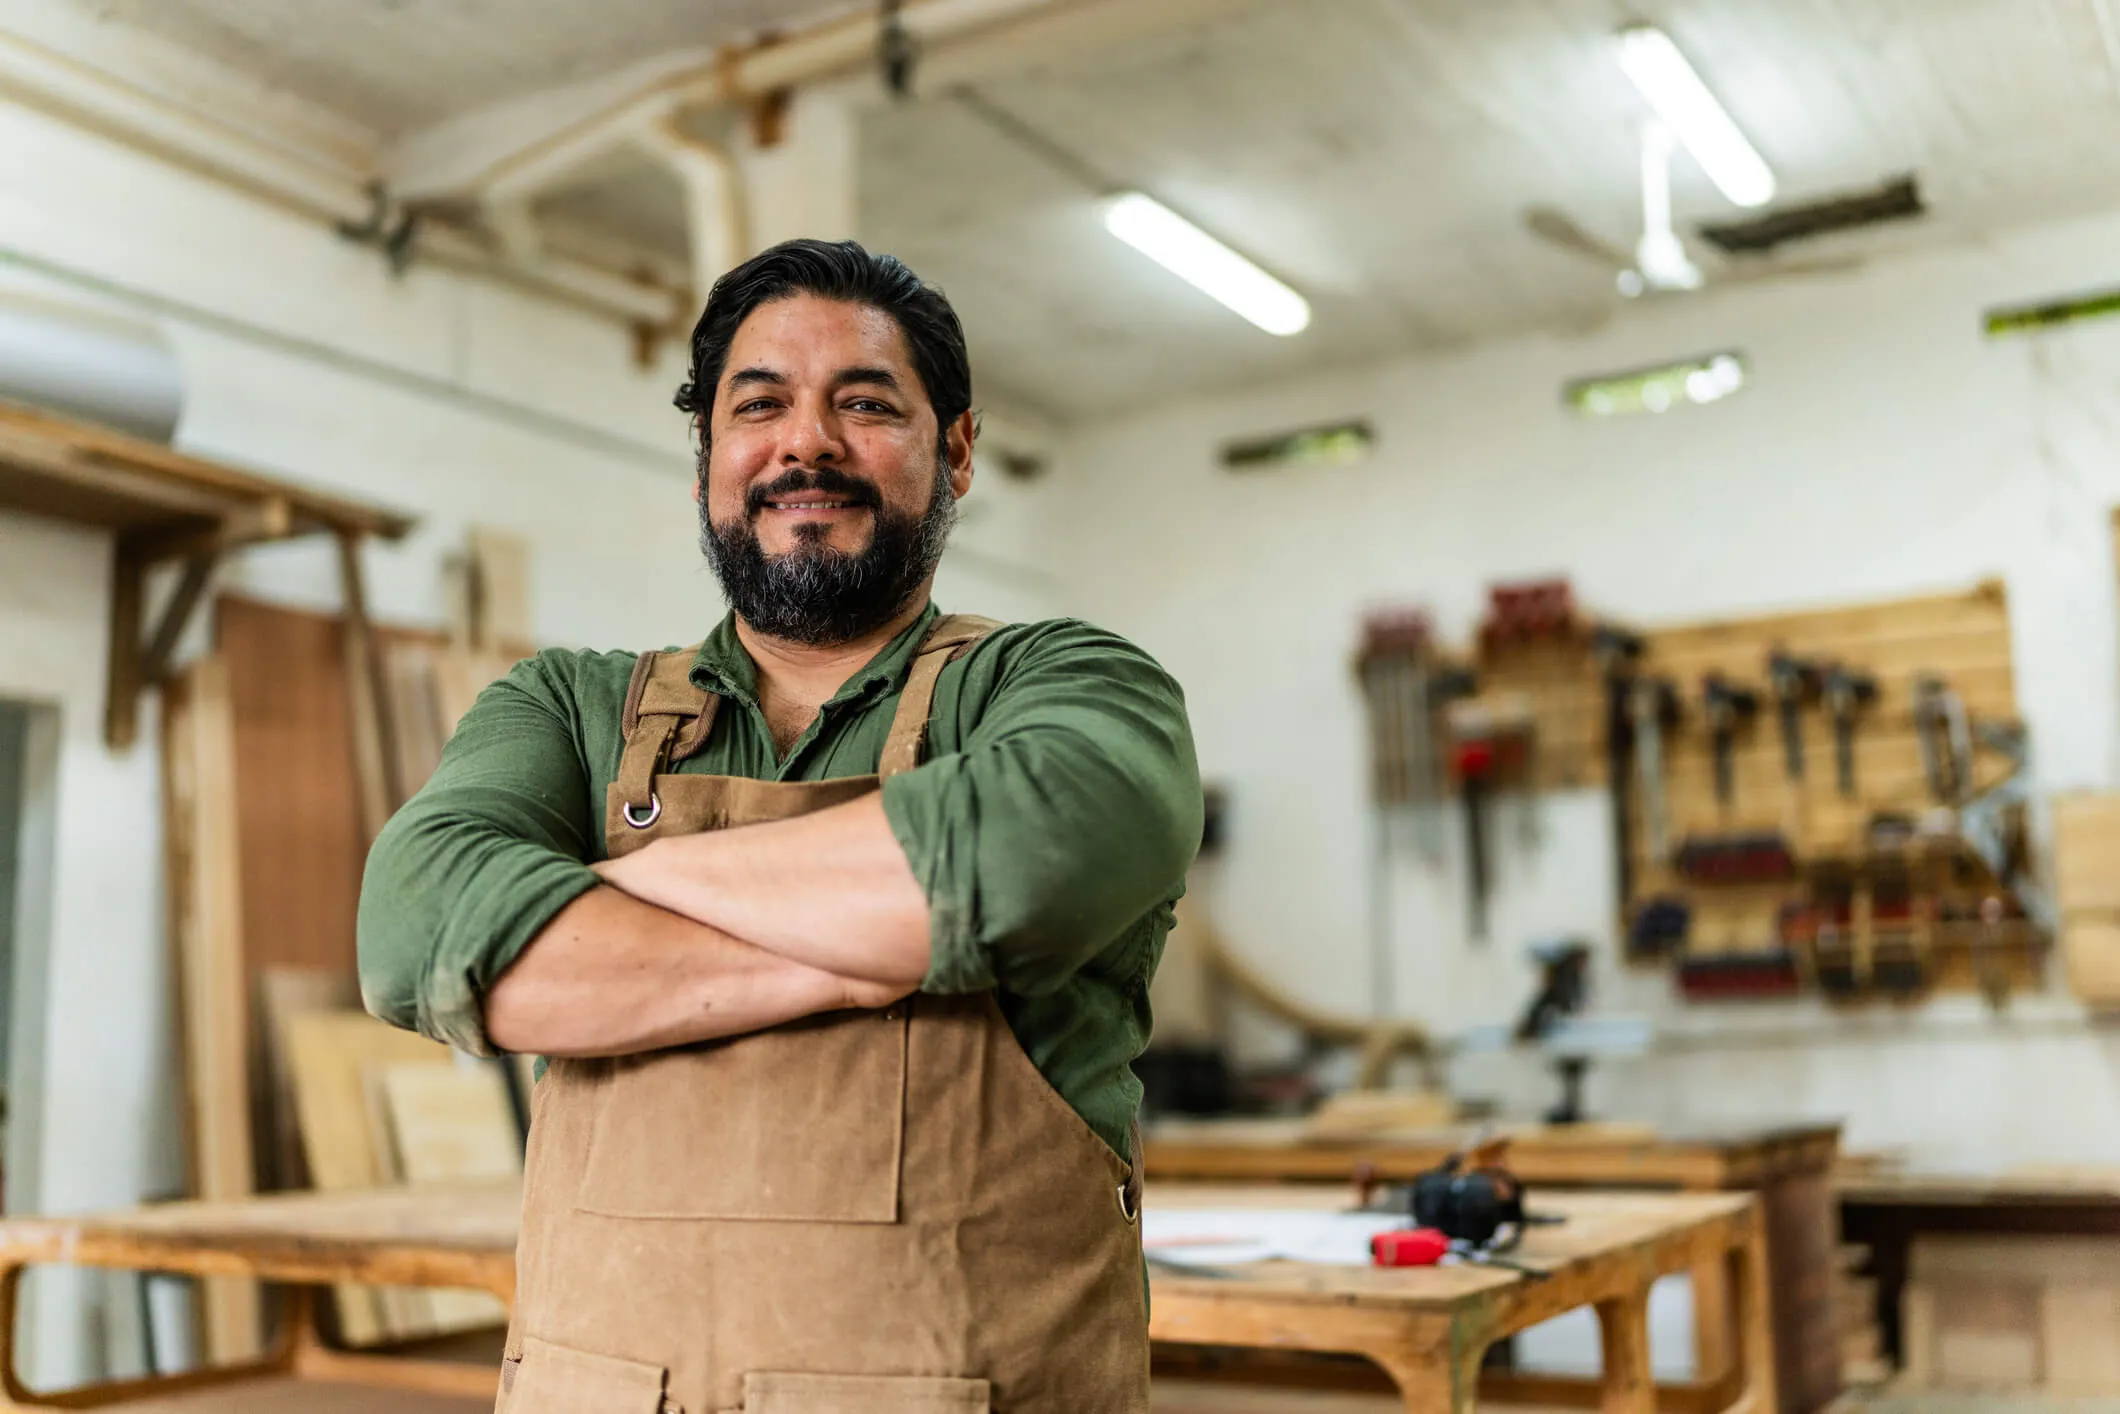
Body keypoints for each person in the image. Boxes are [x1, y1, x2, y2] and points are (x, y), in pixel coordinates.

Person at [357, 237, 1201, 1414]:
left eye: (863, 403)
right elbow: (413, 929)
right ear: (709, 454)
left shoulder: (1056, 682)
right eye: (758, 405)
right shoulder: (567, 707)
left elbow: (1021, 861)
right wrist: (878, 953)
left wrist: (613, 882)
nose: (806, 442)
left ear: (953, 451)